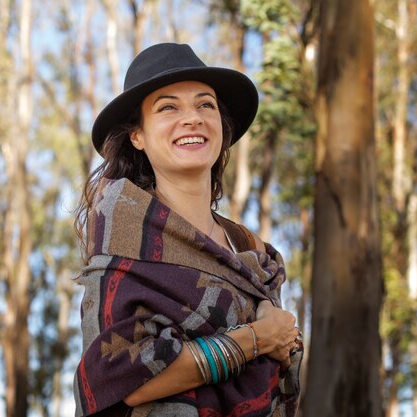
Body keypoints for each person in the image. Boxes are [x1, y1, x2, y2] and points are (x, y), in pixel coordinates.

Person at [73, 43, 303, 417]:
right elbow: (126, 378)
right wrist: (258, 339)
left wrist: (285, 337)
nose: (192, 118)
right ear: (138, 136)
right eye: (168, 107)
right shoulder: (124, 235)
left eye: (205, 105)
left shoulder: (250, 247)